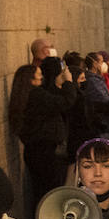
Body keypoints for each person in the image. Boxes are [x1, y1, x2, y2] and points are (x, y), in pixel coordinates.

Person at [21, 56, 77, 203]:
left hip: (43, 151)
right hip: (44, 152)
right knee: (47, 193)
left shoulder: (39, 94)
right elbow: (65, 102)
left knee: (45, 191)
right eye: (38, 76)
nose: (41, 79)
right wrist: (69, 83)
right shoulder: (36, 94)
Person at [73, 138, 109, 219]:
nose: (98, 173)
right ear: (78, 172)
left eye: (107, 166)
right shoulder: (63, 211)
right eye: (88, 166)